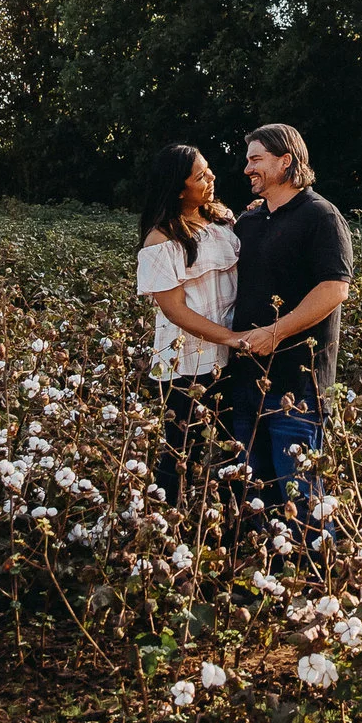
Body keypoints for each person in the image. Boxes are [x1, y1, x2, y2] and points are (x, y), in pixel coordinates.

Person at [222, 123, 352, 544]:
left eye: (256, 159)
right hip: (245, 379)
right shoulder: (250, 220)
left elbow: (334, 288)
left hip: (298, 382)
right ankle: (269, 581)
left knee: (299, 491)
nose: (247, 168)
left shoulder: (321, 215)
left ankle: (315, 579)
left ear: (286, 162)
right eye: (248, 160)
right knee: (255, 490)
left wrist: (276, 333)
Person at [133, 143, 241, 507]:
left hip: (230, 353)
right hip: (187, 363)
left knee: (231, 442)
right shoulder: (160, 239)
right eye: (200, 176)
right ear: (179, 188)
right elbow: (175, 311)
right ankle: (164, 523)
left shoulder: (221, 219)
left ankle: (228, 520)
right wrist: (231, 337)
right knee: (180, 452)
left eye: (208, 170)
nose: (211, 177)